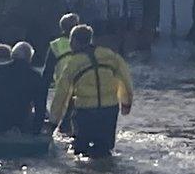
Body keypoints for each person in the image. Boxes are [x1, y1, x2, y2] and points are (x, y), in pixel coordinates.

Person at [50, 25, 133, 158]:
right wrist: (126, 102)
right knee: (104, 150)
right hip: (109, 109)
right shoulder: (110, 56)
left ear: (75, 41)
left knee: (80, 150)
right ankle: (106, 172)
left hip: (85, 111)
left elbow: (61, 93)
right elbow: (125, 79)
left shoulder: (73, 63)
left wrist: (54, 121)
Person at [0, 41, 47, 134]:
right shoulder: (35, 76)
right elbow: (40, 107)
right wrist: (36, 131)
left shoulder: (0, 70)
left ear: (12, 55)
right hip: (21, 124)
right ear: (29, 58)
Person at [43, 13, 80, 134]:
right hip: (84, 86)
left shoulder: (55, 45)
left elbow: (47, 73)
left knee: (63, 121)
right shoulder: (85, 44)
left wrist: (41, 94)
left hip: (64, 88)